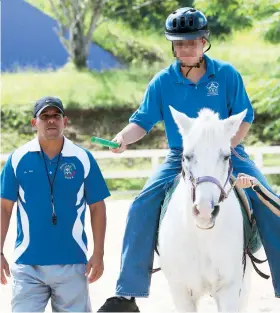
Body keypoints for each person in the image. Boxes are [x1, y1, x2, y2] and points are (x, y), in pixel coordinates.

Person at [97, 7, 280, 312]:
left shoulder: (226, 75)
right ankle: (127, 293)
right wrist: (122, 138)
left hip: (227, 152)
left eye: (193, 41)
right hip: (181, 156)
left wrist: (224, 148)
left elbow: (245, 117)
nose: (187, 48)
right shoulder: (162, 81)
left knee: (269, 200)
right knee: (141, 203)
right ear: (172, 45)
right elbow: (142, 122)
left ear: (204, 41)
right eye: (181, 43)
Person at [1, 96, 110, 312]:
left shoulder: (83, 158)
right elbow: (4, 208)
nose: (51, 120)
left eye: (56, 116)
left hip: (72, 264)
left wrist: (98, 253)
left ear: (65, 121)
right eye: (45, 116)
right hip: (27, 265)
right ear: (35, 123)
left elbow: (97, 207)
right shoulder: (17, 159)